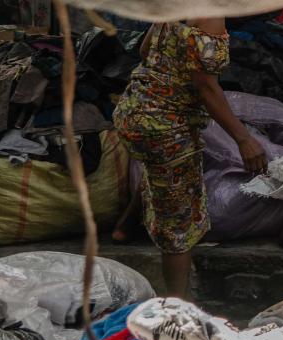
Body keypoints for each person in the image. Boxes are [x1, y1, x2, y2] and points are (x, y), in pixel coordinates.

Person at [112, 18, 267, 300]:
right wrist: (243, 138)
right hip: (165, 124)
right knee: (180, 223)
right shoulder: (208, 12)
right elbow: (205, 85)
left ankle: (124, 226)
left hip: (133, 109)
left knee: (161, 174)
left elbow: (145, 49)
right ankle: (176, 306)